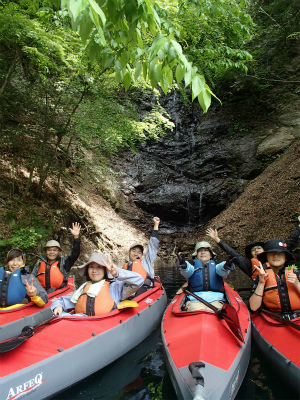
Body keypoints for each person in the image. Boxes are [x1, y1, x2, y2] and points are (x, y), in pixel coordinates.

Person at [206, 215, 300, 279]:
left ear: (266, 251)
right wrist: (217, 240)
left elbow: (290, 241)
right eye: (253, 250)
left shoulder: (278, 257)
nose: (256, 250)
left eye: (259, 248)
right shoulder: (249, 267)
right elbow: (234, 254)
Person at [51, 252, 144, 316]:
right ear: (87, 270)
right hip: (82, 323)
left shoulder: (115, 287)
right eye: (91, 267)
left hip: (104, 325)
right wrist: (58, 306)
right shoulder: (84, 288)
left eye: (99, 267)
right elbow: (62, 301)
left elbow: (138, 281)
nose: (94, 271)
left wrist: (117, 273)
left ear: (104, 270)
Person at [176, 241, 235, 311]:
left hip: (216, 300)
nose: (203, 252)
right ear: (196, 255)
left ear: (211, 255)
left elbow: (222, 269)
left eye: (206, 250)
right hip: (195, 300)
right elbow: (187, 271)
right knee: (197, 310)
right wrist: (184, 266)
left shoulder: (217, 268)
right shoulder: (191, 268)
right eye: (200, 251)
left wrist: (226, 266)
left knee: (215, 311)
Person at [249, 239, 300, 316]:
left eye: (280, 253)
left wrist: (297, 284)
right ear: (266, 257)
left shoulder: (297, 274)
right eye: (271, 253)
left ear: (286, 257)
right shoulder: (260, 277)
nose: (276, 256)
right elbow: (253, 308)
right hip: (273, 319)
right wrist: (261, 283)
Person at [32, 222, 81, 292]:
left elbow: (74, 254)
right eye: (49, 250)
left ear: (59, 252)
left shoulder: (64, 262)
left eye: (55, 250)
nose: (52, 252)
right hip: (42, 294)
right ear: (46, 252)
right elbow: (32, 278)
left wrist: (76, 238)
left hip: (59, 294)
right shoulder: (39, 264)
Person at [122, 217, 160, 295]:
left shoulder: (147, 262)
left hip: (145, 293)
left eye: (139, 252)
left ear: (142, 255)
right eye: (133, 251)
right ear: (129, 253)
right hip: (128, 295)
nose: (136, 254)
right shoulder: (123, 268)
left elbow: (152, 247)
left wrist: (156, 225)